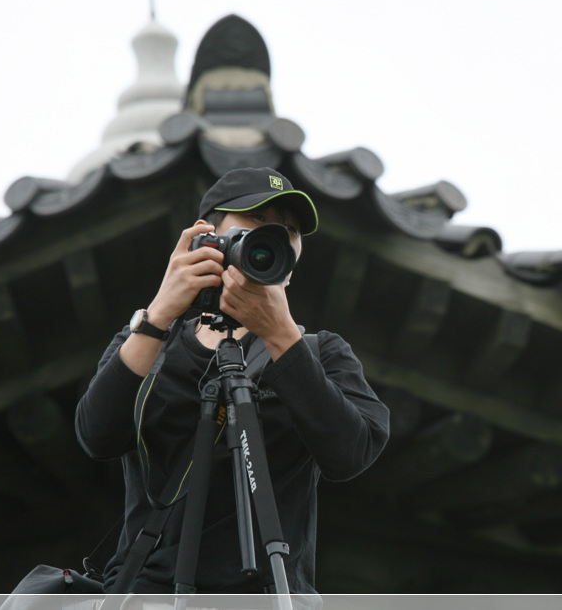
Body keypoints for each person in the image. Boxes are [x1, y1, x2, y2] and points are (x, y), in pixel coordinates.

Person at [74, 167, 390, 596]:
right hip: (144, 594)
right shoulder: (151, 342)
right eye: (256, 222)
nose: (274, 237)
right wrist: (158, 316)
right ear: (205, 237)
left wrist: (281, 336)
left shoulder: (320, 352)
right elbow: (97, 436)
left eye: (290, 231)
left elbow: (351, 453)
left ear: (291, 267)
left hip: (268, 596)